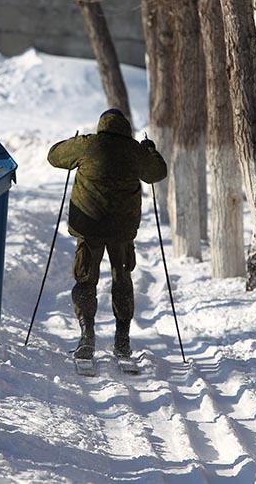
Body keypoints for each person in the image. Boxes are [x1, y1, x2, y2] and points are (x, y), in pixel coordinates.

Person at [47, 108, 167, 360]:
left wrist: (74, 141)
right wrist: (150, 150)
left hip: (89, 227)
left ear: (102, 126)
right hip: (121, 231)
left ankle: (86, 335)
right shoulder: (135, 151)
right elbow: (157, 173)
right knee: (122, 279)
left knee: (85, 280)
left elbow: (54, 156)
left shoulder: (88, 145)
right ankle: (122, 340)